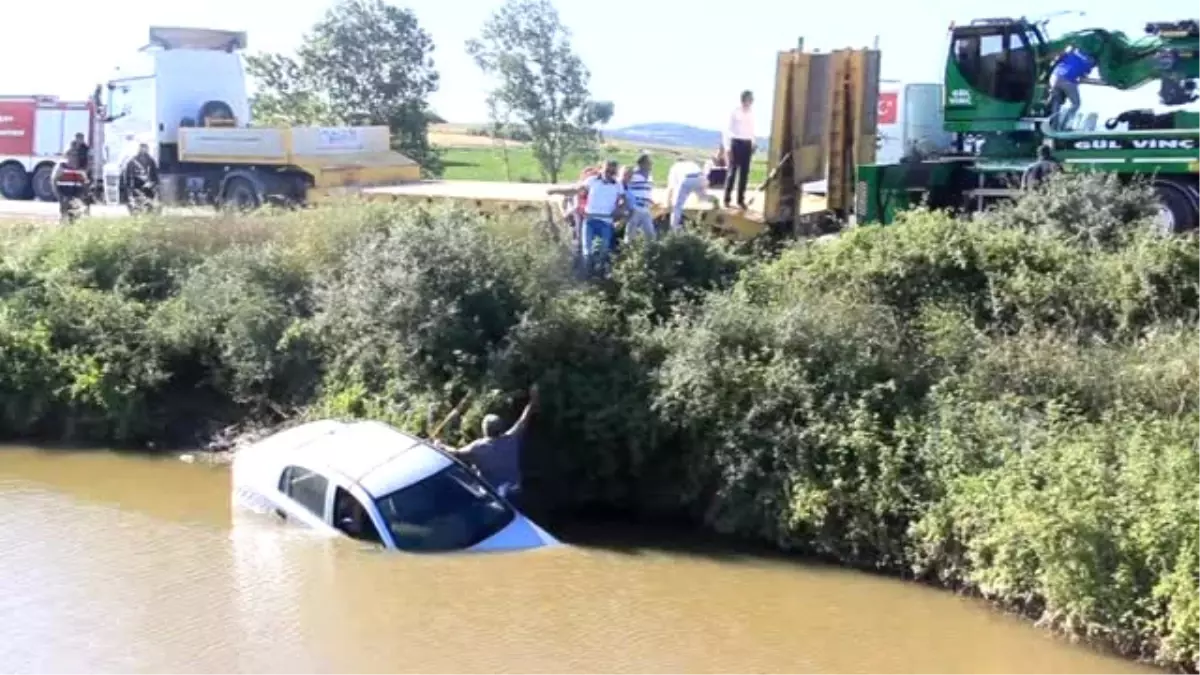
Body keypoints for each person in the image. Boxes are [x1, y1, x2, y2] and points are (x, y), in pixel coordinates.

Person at [450, 386, 539, 498]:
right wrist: (533, 400)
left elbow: (456, 453)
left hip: (494, 497)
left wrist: (439, 445)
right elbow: (523, 419)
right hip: (515, 490)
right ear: (501, 427)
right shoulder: (511, 438)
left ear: (484, 429)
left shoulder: (478, 447)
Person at [665, 156, 719, 231]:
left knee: (677, 206)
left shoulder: (675, 167)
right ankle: (713, 199)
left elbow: (671, 187)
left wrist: (668, 203)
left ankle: (674, 228)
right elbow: (705, 177)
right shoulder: (692, 163)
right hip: (701, 178)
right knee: (702, 197)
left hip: (687, 179)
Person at [1048, 45, 1094, 130]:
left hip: (1054, 78)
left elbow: (1058, 58)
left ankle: (1054, 126)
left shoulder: (1071, 53)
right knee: (1076, 104)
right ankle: (1063, 125)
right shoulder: (1090, 62)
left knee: (1056, 101)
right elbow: (1082, 78)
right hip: (1068, 81)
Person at [723, 90, 756, 209]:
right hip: (736, 143)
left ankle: (740, 200)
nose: (751, 101)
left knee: (744, 174)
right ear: (744, 99)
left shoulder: (751, 113)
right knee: (732, 172)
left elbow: (751, 130)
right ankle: (727, 199)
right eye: (749, 99)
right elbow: (727, 130)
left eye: (752, 99)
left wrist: (753, 143)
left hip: (747, 143)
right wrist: (727, 148)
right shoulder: (735, 111)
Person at [624, 152, 656, 242]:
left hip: (646, 208)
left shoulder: (650, 176)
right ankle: (627, 249)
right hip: (635, 207)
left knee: (650, 234)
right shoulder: (633, 174)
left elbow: (647, 191)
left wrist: (650, 200)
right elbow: (624, 187)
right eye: (649, 162)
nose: (651, 164)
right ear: (642, 163)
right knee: (630, 234)